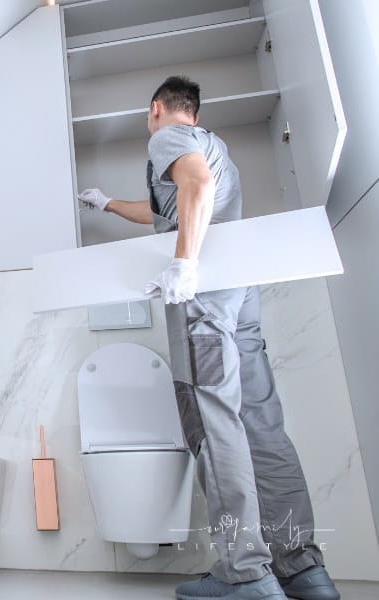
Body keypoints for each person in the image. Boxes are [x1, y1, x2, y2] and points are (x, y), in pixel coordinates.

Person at [79, 76, 341, 600]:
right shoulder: (214, 146)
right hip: (238, 293)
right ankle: (300, 568)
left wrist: (183, 264)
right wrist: (107, 204)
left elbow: (194, 184)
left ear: (157, 108)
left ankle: (245, 572)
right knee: (261, 425)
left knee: (212, 420)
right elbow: (173, 205)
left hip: (203, 296)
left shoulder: (167, 137)